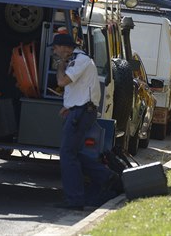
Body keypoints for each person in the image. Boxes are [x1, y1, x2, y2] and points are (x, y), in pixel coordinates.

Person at [52, 33, 119, 210]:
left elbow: (62, 81)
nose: (54, 51)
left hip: (81, 113)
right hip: (79, 111)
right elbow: (80, 88)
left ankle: (75, 200)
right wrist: (69, 105)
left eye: (56, 48)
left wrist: (60, 64)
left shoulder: (79, 60)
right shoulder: (77, 60)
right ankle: (106, 176)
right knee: (72, 153)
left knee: (67, 154)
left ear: (65, 48)